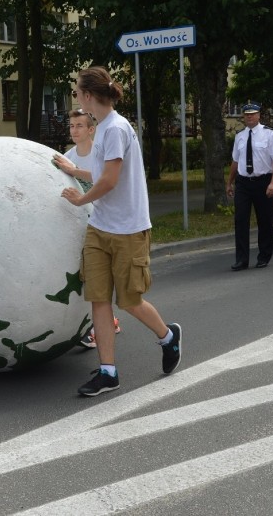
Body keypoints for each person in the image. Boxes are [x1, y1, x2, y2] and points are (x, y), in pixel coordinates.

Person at [60, 66, 181, 397]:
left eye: (76, 92)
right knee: (98, 298)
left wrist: (79, 199)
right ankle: (108, 371)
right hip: (99, 227)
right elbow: (102, 172)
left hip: (128, 228)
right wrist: (74, 170)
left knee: (129, 301)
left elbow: (110, 181)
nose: (77, 98)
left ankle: (168, 337)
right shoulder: (102, 129)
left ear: (87, 96)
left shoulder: (115, 128)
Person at [53, 109, 122, 349]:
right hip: (79, 224)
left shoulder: (100, 153)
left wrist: (74, 172)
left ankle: (100, 325)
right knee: (85, 277)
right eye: (71, 126)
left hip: (104, 223)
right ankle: (104, 321)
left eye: (80, 126)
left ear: (91, 129)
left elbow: (106, 178)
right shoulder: (67, 157)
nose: (74, 130)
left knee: (98, 279)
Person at [226, 101, 273, 270]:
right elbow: (236, 161)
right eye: (246, 114)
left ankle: (264, 256)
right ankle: (242, 259)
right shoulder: (240, 136)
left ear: (259, 115)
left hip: (263, 182)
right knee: (240, 220)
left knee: (265, 220)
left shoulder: (269, 134)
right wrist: (229, 182)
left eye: (253, 114)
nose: (249, 117)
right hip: (243, 183)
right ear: (243, 117)